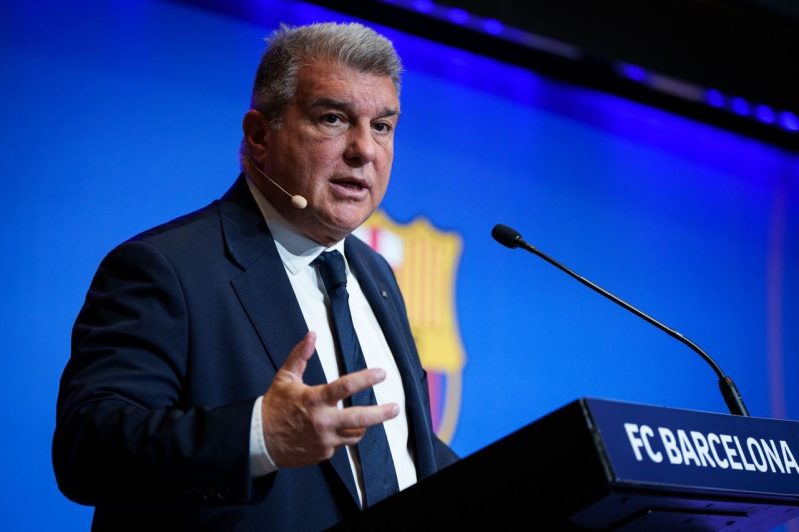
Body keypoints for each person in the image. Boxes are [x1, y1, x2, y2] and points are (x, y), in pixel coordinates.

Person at [53, 22, 458, 531]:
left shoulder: (374, 273)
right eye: (333, 119)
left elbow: (401, 447)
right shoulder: (165, 268)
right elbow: (89, 448)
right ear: (260, 136)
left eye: (382, 126)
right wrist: (259, 437)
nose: (365, 150)